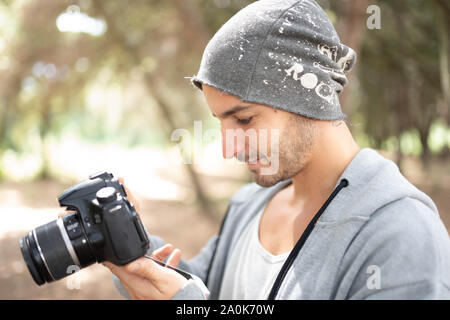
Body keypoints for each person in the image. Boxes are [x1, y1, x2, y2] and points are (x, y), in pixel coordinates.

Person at [105, 0, 450, 299]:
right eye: (220, 122)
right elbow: (203, 287)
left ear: (306, 101)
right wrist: (127, 239)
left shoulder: (400, 233)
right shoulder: (249, 204)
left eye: (243, 119)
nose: (229, 149)